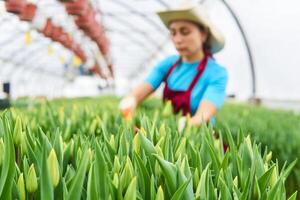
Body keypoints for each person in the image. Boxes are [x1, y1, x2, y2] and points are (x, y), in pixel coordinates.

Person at [119, 2, 228, 127]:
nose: (178, 40)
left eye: (185, 32)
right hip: (169, 131)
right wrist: (129, 103)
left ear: (203, 35)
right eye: (173, 33)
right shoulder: (168, 64)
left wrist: (183, 127)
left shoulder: (217, 73)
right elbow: (136, 94)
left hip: (199, 136)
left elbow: (201, 118)